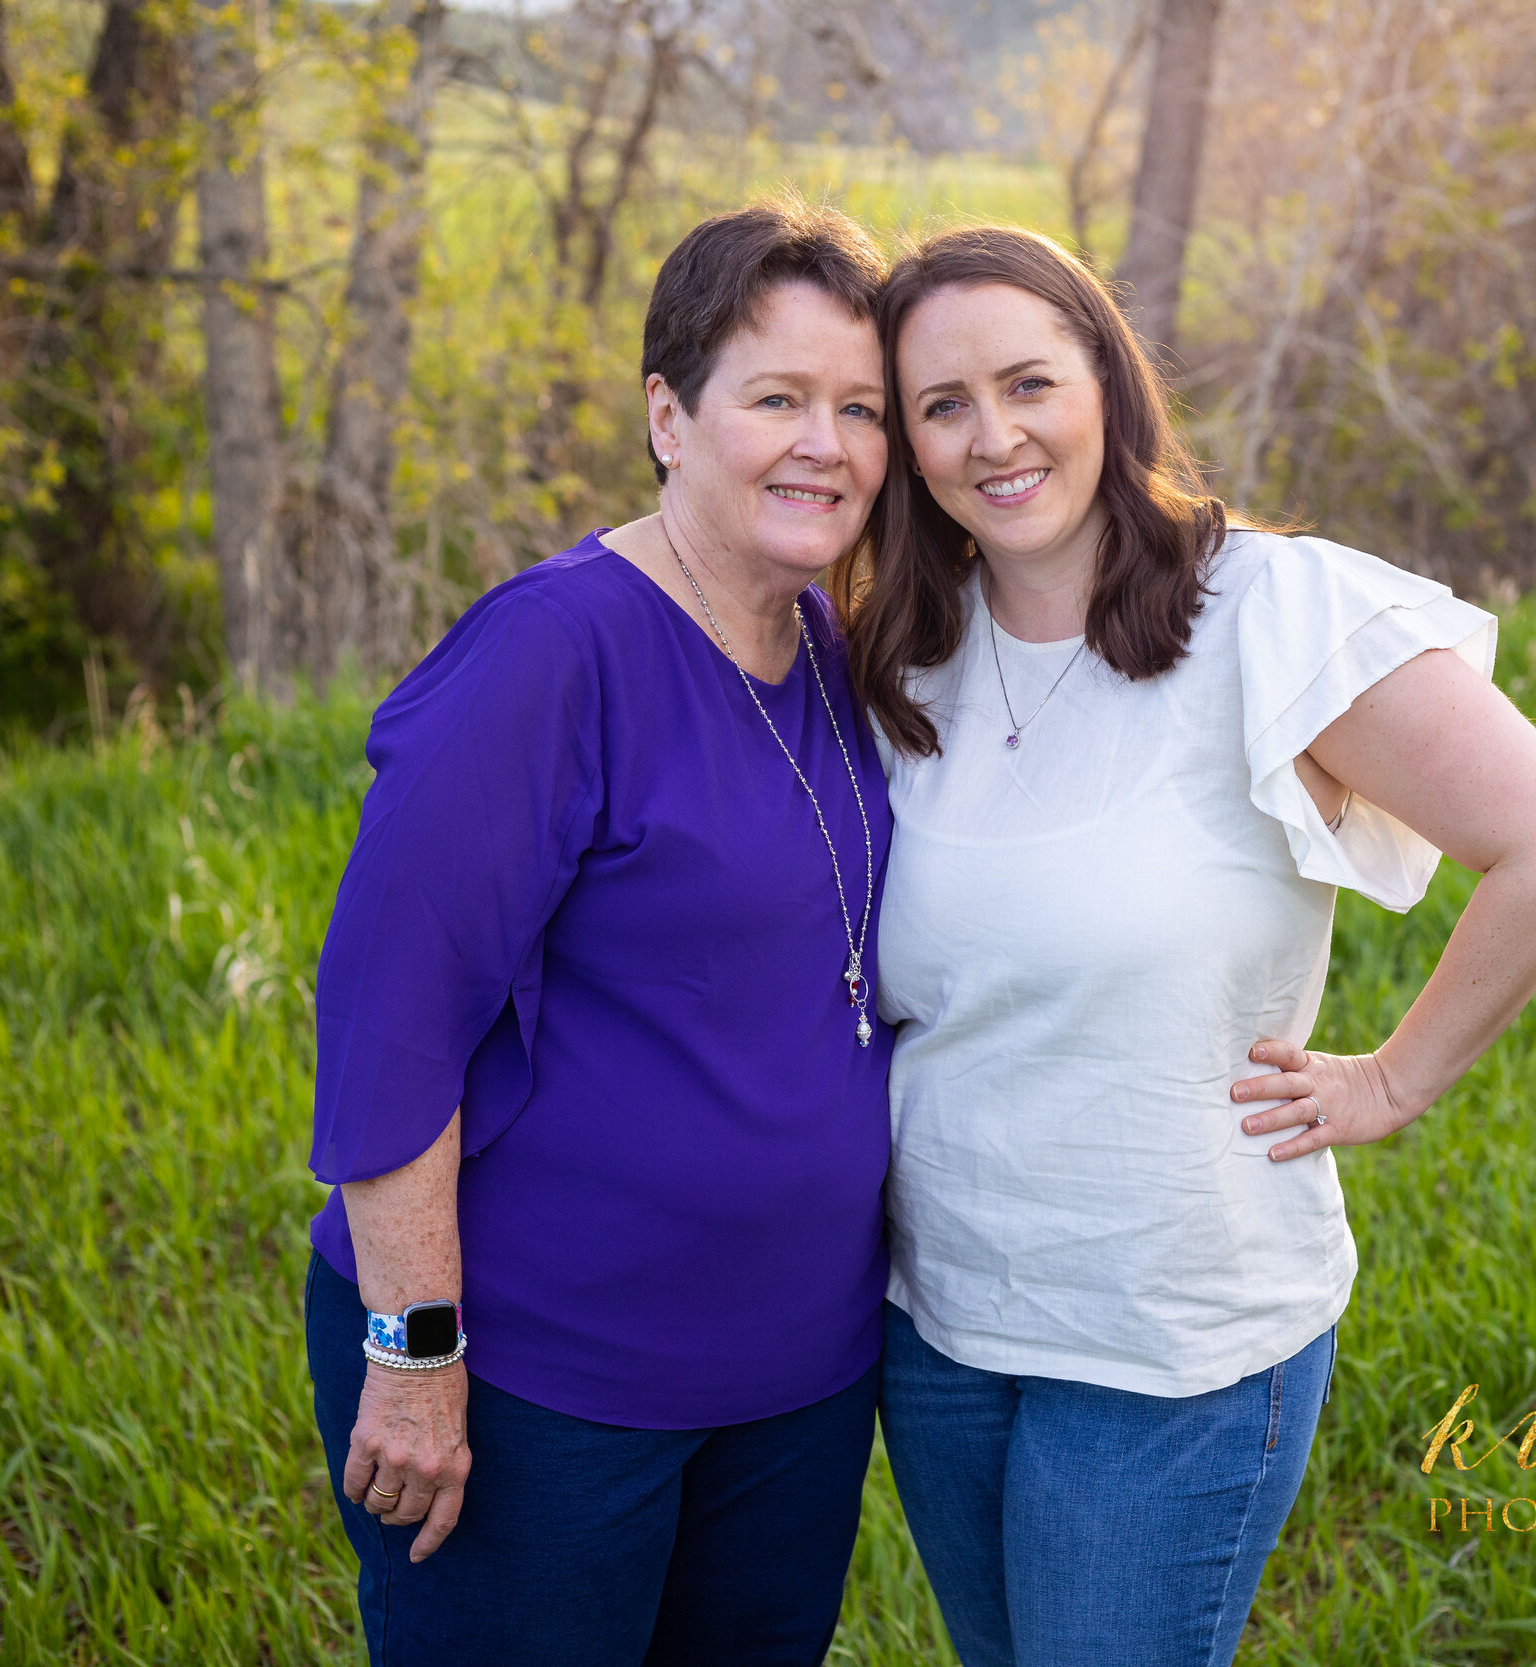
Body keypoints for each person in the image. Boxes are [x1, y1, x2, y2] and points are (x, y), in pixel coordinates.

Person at [841, 225, 1536, 1667]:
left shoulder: (1272, 612)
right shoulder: (907, 653)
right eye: (940, 405)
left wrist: (1393, 1082)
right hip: (939, 1327)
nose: (993, 436)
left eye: (1029, 383)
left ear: (1108, 384)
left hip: (1171, 1346)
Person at [302, 200, 896, 1667]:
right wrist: (417, 1357)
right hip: (544, 1383)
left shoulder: (837, 641)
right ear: (669, 415)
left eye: (861, 408)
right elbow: (392, 1024)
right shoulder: (551, 653)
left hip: (800, 1380)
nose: (826, 442)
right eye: (777, 399)